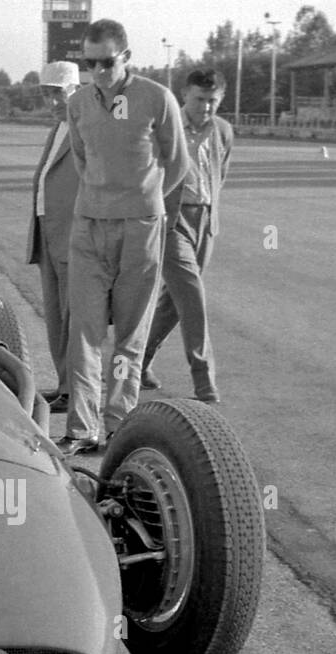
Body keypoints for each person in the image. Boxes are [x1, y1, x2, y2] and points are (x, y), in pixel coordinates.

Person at [59, 18, 189, 456]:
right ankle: (81, 429)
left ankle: (116, 427)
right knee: (84, 331)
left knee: (130, 335)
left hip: (141, 228)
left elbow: (177, 163)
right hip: (88, 225)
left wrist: (144, 200)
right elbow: (82, 159)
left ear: (127, 57)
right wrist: (102, 198)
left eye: (107, 62)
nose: (98, 71)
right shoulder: (77, 103)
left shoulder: (157, 98)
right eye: (89, 62)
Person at [140, 69, 235, 402]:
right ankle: (204, 382)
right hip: (171, 221)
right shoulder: (166, 126)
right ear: (184, 95)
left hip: (205, 222)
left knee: (173, 303)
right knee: (192, 296)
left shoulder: (223, 130)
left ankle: (139, 363)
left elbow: (219, 175)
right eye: (199, 100)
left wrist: (208, 215)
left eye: (213, 101)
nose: (206, 108)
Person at [26, 61, 81, 413]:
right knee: (56, 315)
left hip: (73, 233)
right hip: (47, 229)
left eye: (57, 94)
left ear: (74, 91)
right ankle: (64, 386)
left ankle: (77, 389)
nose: (52, 102)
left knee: (74, 315)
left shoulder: (86, 127)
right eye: (47, 94)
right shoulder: (58, 127)